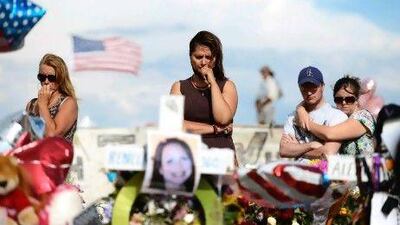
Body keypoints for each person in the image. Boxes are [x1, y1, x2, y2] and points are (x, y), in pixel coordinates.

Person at [170, 31, 238, 151]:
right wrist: (214, 129)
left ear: (216, 58)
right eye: (199, 57)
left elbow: (222, 119)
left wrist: (212, 82)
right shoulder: (179, 87)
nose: (203, 63)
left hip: (221, 155)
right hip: (188, 155)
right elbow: (173, 124)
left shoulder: (227, 86)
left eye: (208, 58)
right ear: (190, 57)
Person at [296, 75, 376, 156]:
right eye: (339, 99)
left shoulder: (364, 117)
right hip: (344, 167)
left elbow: (329, 134)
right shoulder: (337, 115)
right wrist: (300, 110)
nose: (344, 103)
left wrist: (305, 123)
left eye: (349, 99)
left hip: (363, 167)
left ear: (356, 99)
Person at [279, 66, 348, 160]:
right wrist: (311, 145)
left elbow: (328, 152)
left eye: (313, 87)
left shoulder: (337, 116)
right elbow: (284, 150)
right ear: (299, 88)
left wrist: (297, 149)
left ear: (322, 87)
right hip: (299, 172)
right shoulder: (293, 117)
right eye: (304, 88)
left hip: (324, 173)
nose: (309, 92)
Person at [26, 53, 78, 143]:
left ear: (60, 78)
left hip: (55, 156)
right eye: (42, 77)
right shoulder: (32, 105)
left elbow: (52, 136)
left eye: (51, 78)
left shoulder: (68, 103)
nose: (46, 82)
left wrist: (42, 105)